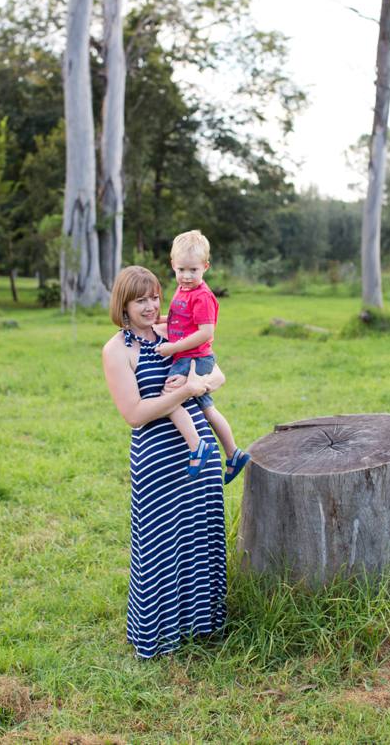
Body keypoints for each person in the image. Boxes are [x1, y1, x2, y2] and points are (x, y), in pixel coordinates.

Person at [102, 265, 228, 659]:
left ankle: (203, 627)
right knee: (159, 546)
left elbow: (218, 373)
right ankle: (158, 638)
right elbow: (135, 414)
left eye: (154, 296)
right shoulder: (116, 350)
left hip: (199, 452)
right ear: (123, 304)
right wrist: (185, 391)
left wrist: (200, 384)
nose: (150, 305)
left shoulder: (170, 331)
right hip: (157, 458)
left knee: (200, 536)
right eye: (140, 299)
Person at [155, 230, 250, 485]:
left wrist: (173, 349)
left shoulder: (202, 296)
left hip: (193, 358)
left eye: (193, 270)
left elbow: (206, 332)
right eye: (182, 269)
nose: (187, 276)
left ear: (205, 267)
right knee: (208, 410)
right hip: (190, 356)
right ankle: (233, 453)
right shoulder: (183, 290)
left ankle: (197, 446)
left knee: (169, 396)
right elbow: (181, 320)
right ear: (173, 265)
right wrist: (158, 319)